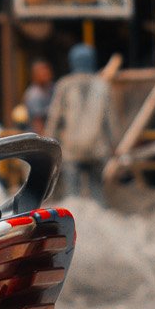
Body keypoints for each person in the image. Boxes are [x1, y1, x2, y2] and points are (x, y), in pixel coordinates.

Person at [46, 42, 112, 198]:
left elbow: (54, 119)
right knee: (97, 193)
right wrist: (113, 145)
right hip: (97, 148)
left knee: (72, 195)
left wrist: (48, 144)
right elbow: (109, 121)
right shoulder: (103, 85)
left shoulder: (64, 85)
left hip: (71, 149)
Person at [21, 58, 55, 133]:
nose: (45, 72)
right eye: (41, 70)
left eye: (47, 69)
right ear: (34, 74)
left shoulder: (52, 88)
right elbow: (37, 123)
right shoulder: (34, 94)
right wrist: (46, 141)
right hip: (40, 136)